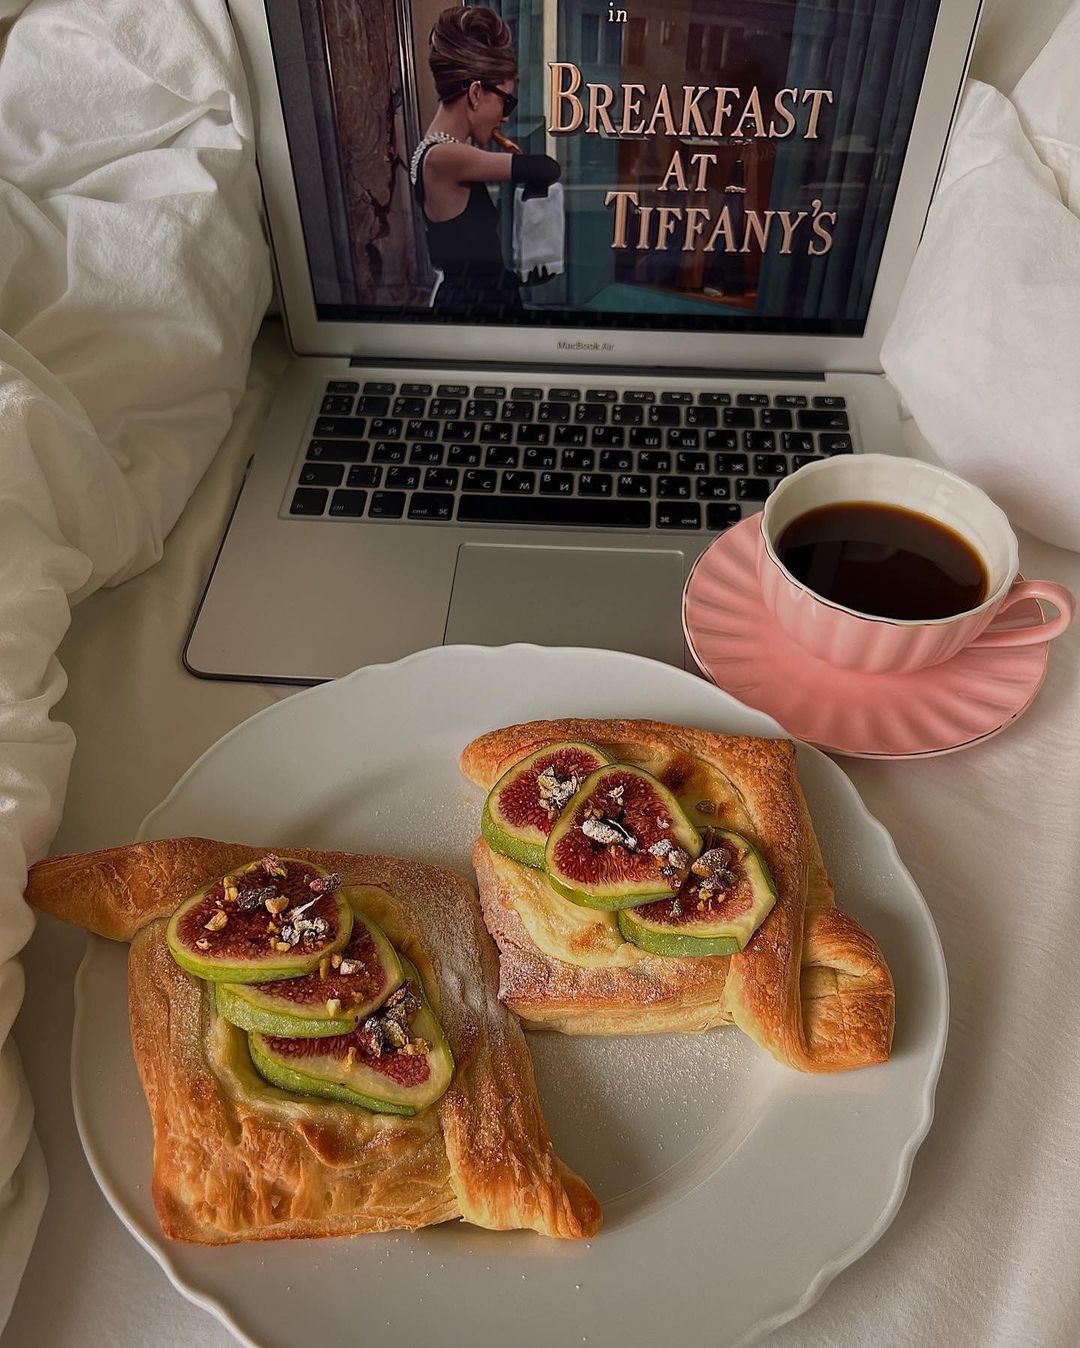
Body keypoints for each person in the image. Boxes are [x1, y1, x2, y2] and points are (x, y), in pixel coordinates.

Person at [411, 6, 560, 314]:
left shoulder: (435, 148)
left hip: (481, 302)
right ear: (476, 93)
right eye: (507, 102)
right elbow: (545, 168)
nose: (505, 118)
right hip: (472, 312)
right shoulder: (446, 157)